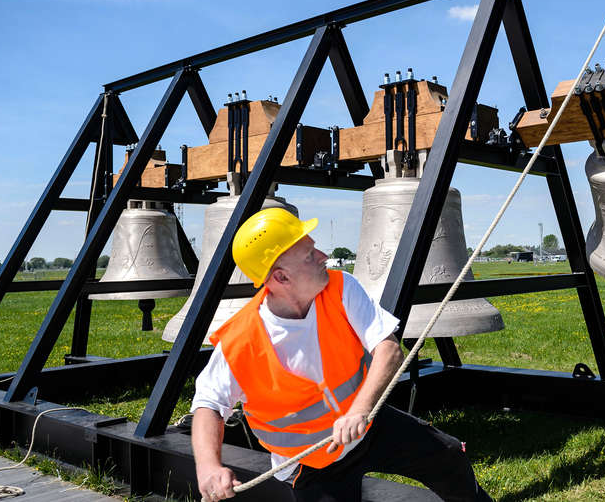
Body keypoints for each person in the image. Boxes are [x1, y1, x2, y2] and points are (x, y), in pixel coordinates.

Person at [190, 208, 493, 502]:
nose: (323, 257)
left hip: (368, 428)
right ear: (281, 278)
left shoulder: (341, 287)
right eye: (310, 255)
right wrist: (208, 467)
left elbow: (388, 350)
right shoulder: (241, 340)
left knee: (447, 455)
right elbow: (209, 405)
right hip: (310, 465)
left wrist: (358, 411)